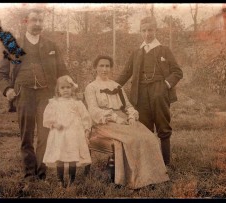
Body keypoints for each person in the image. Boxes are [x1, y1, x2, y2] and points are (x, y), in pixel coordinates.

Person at [0, 9, 69, 183]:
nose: (37, 24)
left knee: (45, 135)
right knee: (26, 135)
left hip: (46, 95)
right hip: (24, 94)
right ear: (26, 22)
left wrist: (69, 86)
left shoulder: (51, 46)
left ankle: (41, 174)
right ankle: (29, 173)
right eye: (34, 20)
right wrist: (8, 90)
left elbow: (63, 71)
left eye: (40, 20)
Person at [84, 55, 169, 190]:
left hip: (123, 119)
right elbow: (93, 111)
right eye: (101, 66)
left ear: (111, 68)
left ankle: (151, 176)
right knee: (131, 140)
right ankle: (133, 179)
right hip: (104, 123)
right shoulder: (91, 87)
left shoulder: (117, 86)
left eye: (107, 66)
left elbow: (128, 105)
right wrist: (115, 118)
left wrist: (131, 116)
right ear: (96, 68)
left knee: (149, 137)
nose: (104, 69)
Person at [115, 17, 183, 166]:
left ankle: (165, 164)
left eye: (150, 30)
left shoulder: (164, 50)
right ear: (140, 32)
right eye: (144, 30)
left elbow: (178, 72)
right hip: (140, 95)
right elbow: (125, 74)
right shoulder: (136, 52)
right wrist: (109, 86)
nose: (147, 34)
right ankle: (149, 165)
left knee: (163, 128)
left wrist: (165, 85)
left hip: (159, 93)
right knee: (144, 129)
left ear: (156, 30)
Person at [43, 75, 92, 188]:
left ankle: (72, 180)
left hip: (74, 134)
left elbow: (85, 117)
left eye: (68, 87)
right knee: (60, 156)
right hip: (60, 134)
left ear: (72, 88)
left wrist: (86, 129)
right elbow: (47, 118)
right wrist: (54, 124)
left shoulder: (77, 103)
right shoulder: (54, 103)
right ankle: (60, 180)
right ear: (58, 90)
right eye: (63, 88)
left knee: (73, 157)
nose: (65, 90)